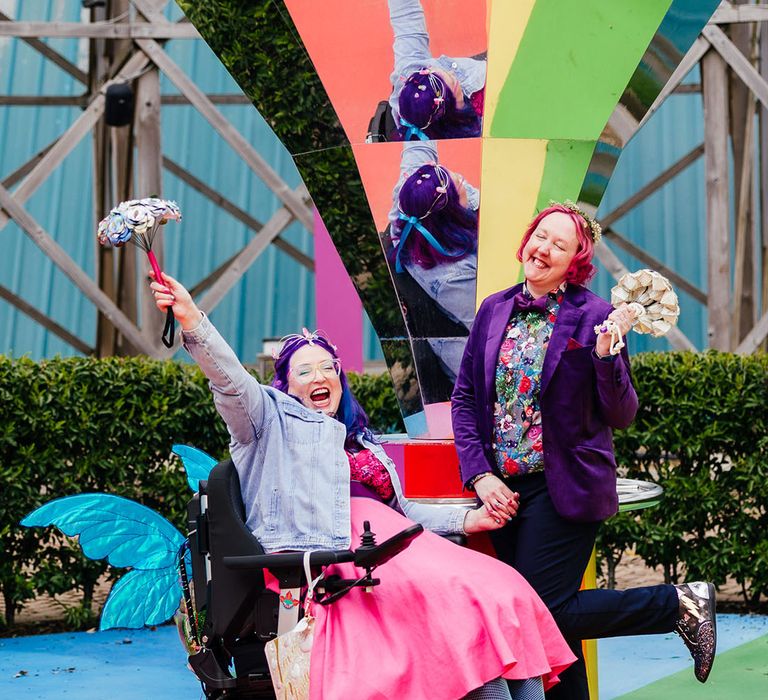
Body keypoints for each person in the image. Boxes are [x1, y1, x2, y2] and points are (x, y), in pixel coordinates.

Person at [150, 272, 575, 700]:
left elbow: (404, 512)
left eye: (327, 367)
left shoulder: (361, 439)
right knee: (462, 610)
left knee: (503, 591)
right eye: (304, 370)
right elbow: (231, 383)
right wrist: (191, 320)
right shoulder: (268, 424)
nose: (319, 376)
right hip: (337, 557)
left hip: (400, 546)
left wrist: (469, 518)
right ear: (285, 385)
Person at [450, 202, 717, 699]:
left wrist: (604, 358)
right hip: (502, 493)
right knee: (551, 632)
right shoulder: (493, 308)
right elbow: (465, 398)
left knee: (539, 610)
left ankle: (677, 605)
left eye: (559, 245)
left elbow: (621, 413)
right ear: (527, 239)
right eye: (540, 236)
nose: (544, 248)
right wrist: (480, 475)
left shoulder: (595, 315)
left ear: (575, 262)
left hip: (564, 489)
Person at [389, 141, 478, 378]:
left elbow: (418, 144)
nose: (460, 177)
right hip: (470, 359)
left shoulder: (410, 196)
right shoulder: (456, 276)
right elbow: (487, 327)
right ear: (452, 216)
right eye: (461, 187)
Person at [388, 0, 485, 140]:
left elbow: (407, 22)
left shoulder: (410, 69)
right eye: (453, 82)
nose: (451, 72)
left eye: (437, 71)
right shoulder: (470, 139)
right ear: (452, 111)